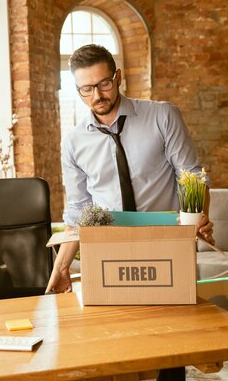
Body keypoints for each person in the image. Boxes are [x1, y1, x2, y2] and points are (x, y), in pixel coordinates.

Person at [46, 44, 215, 295]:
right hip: (108, 250)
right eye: (86, 89)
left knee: (174, 324)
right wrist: (61, 267)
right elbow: (78, 210)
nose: (97, 96)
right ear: (78, 90)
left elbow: (191, 177)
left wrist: (198, 217)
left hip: (167, 243)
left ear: (118, 77)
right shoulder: (73, 141)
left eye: (104, 84)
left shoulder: (163, 116)